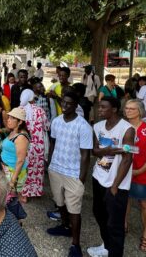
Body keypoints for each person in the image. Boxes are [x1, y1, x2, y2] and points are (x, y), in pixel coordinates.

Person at [45, 91, 93, 257]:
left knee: (74, 210)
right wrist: (49, 164)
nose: (64, 106)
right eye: (63, 103)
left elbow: (86, 155)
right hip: (56, 169)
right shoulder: (56, 121)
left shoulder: (83, 126)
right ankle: (64, 227)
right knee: (60, 202)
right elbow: (52, 143)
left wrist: (82, 179)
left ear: (76, 106)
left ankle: (75, 244)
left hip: (73, 173)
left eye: (69, 104)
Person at [87, 97, 135, 257]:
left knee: (115, 224)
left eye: (103, 107)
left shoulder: (127, 129)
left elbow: (128, 158)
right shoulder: (98, 126)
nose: (99, 110)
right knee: (99, 213)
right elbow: (94, 151)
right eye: (99, 107)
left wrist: (115, 185)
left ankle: (115, 252)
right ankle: (107, 246)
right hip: (98, 177)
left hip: (116, 184)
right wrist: (107, 150)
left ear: (114, 109)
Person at [123, 99, 146, 253]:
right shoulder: (122, 127)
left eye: (132, 108)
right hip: (123, 172)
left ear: (140, 111)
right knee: (125, 200)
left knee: (144, 203)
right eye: (126, 108)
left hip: (142, 173)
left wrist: (140, 170)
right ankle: (123, 225)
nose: (128, 111)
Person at [19, 89, 49, 199]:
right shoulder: (40, 110)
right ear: (32, 98)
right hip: (38, 145)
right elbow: (46, 126)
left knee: (25, 168)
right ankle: (36, 192)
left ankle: (24, 194)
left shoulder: (19, 110)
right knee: (37, 169)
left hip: (24, 144)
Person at [0, 107, 30, 204]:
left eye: (12, 118)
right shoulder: (13, 131)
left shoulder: (21, 137)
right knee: (9, 199)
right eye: (9, 117)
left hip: (14, 171)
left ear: (20, 122)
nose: (8, 120)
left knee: (12, 200)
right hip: (7, 169)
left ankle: (14, 218)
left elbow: (21, 160)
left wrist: (13, 180)